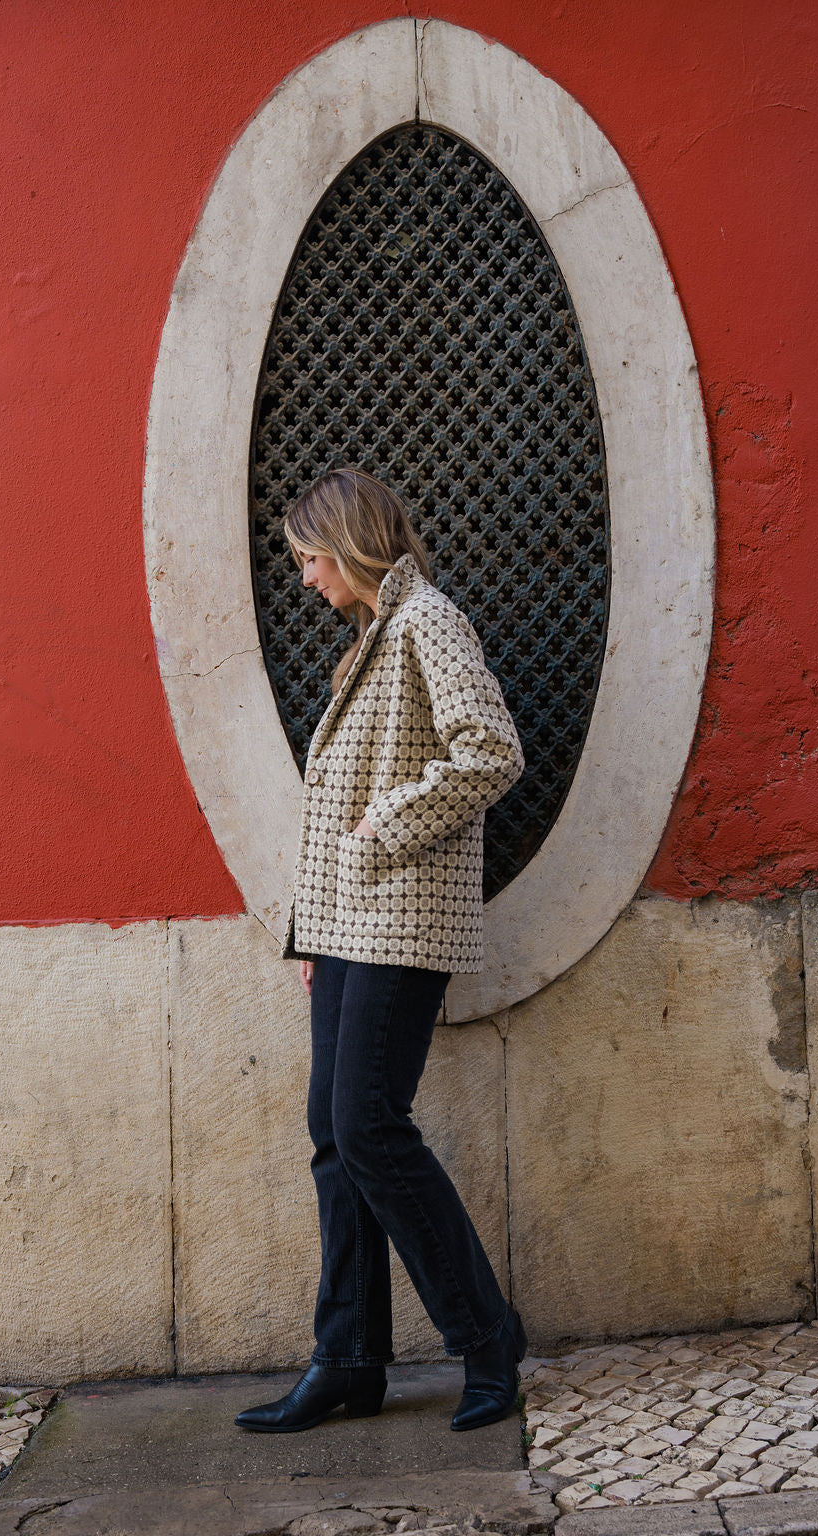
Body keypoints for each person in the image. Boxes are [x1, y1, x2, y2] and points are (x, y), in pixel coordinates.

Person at [235, 467, 527, 1437]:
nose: (307, 580)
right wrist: (315, 932)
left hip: (401, 918)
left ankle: (486, 1338)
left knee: (368, 1127)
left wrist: (382, 827)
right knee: (334, 1137)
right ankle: (349, 1359)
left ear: (350, 545)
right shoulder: (373, 637)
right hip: (350, 928)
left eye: (310, 559)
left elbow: (490, 750)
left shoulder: (426, 623)